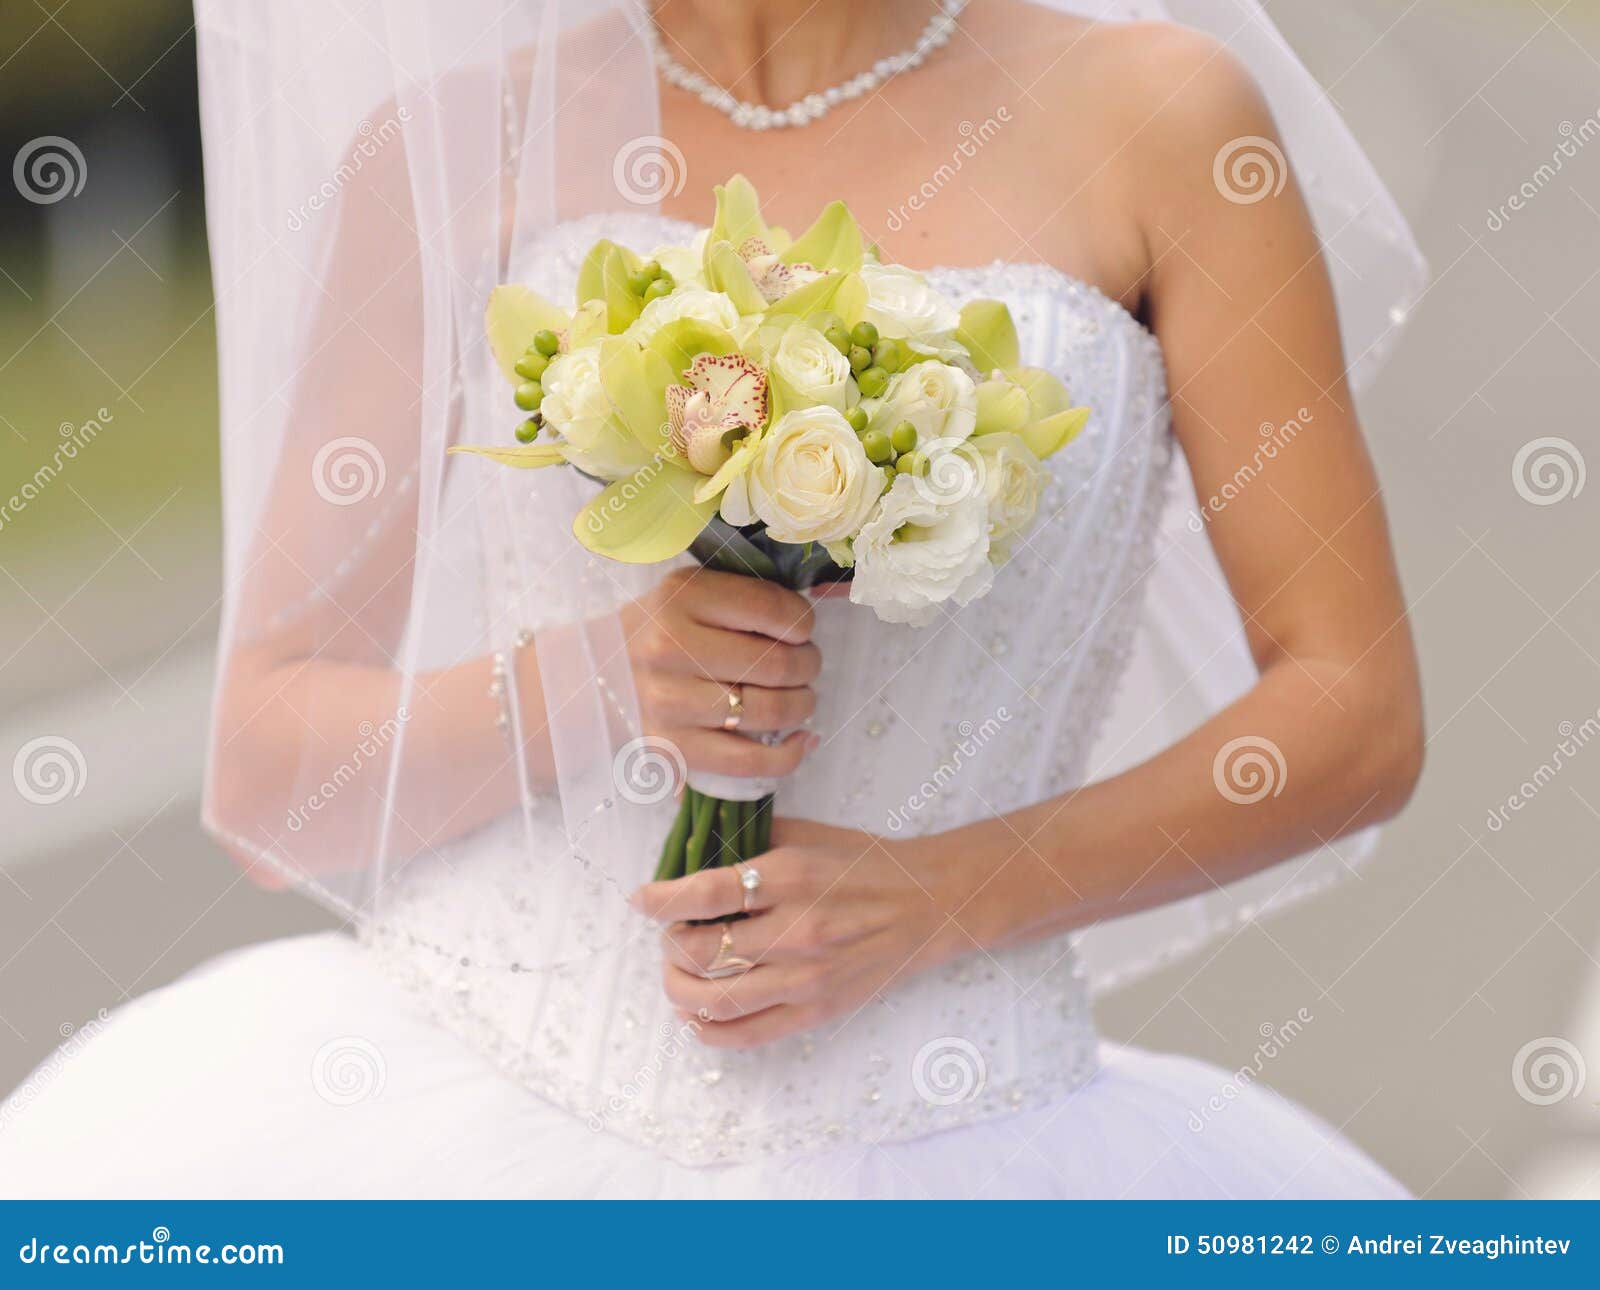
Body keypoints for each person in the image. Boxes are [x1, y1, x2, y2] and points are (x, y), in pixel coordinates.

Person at [0, 0, 1426, 1198]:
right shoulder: (451, 150)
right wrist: (602, 678)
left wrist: (934, 898)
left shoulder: (1169, 124)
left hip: (972, 1128)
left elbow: (1352, 711)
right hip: (476, 1097)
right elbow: (273, 779)